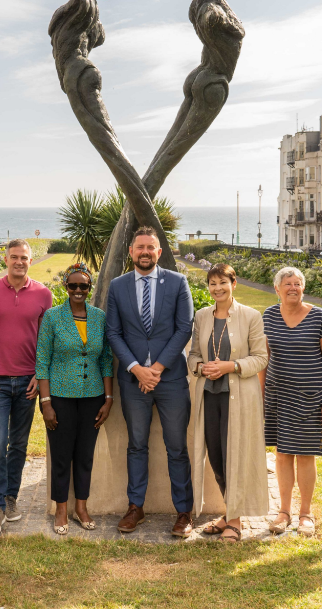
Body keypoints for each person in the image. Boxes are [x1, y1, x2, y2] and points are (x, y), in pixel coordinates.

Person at [105, 226, 196, 537]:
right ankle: (135, 507)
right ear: (131, 252)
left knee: (176, 448)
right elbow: (113, 332)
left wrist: (154, 369)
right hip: (133, 382)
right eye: (139, 247)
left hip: (170, 380)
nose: (145, 252)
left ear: (159, 252)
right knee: (136, 445)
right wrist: (136, 369)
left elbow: (184, 328)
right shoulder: (117, 287)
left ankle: (184, 512)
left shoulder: (178, 282)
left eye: (151, 247)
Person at [187, 263, 269, 542]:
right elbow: (194, 354)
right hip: (209, 397)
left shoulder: (251, 316)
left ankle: (235, 520)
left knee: (235, 454)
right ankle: (228, 512)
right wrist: (201, 368)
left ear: (234, 283)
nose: (217, 288)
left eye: (223, 282)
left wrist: (230, 366)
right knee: (217, 456)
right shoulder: (201, 316)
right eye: (212, 283)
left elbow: (261, 357)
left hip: (239, 399)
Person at [0, 239, 53, 536]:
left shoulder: (43, 294)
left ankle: (11, 498)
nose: (19, 262)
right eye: (14, 257)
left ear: (30, 261)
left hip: (27, 383)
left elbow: (47, 340)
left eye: (24, 257)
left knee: (19, 445)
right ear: (5, 260)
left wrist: (40, 373)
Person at [36, 263, 113, 534]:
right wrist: (45, 403)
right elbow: (42, 360)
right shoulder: (53, 317)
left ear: (89, 288)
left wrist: (108, 398)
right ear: (65, 287)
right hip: (60, 397)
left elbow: (105, 360)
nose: (78, 290)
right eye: (73, 285)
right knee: (61, 455)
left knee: (84, 456)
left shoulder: (99, 317)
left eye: (83, 286)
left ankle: (81, 507)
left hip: (92, 397)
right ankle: (60, 509)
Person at [262, 267, 322, 538]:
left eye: (298, 283)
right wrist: (261, 397)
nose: (293, 288)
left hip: (311, 398)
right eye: (287, 284)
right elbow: (264, 357)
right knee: (282, 455)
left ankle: (305, 513)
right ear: (277, 289)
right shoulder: (269, 316)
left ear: (303, 288)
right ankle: (283, 512)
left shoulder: (318, 316)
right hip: (278, 396)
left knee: (305, 455)